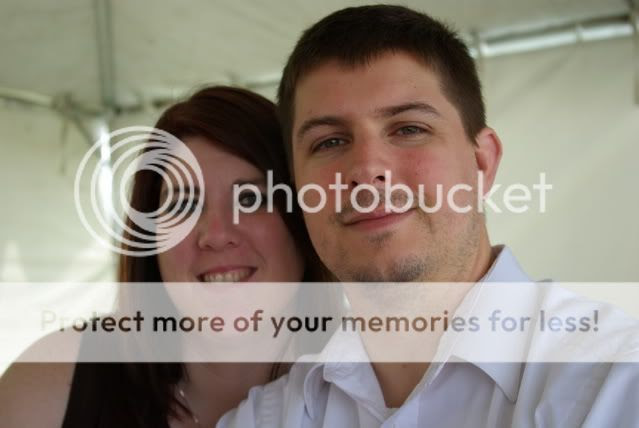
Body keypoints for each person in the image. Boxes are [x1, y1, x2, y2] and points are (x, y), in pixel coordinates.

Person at [219, 5, 639, 427]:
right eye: (329, 142)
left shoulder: (613, 380)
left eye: (409, 129)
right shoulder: (265, 416)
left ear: (482, 162)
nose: (366, 169)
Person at [0, 86, 334, 427]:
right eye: (183, 205)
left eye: (250, 200)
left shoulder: (362, 388)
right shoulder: (52, 384)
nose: (216, 234)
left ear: (303, 220)